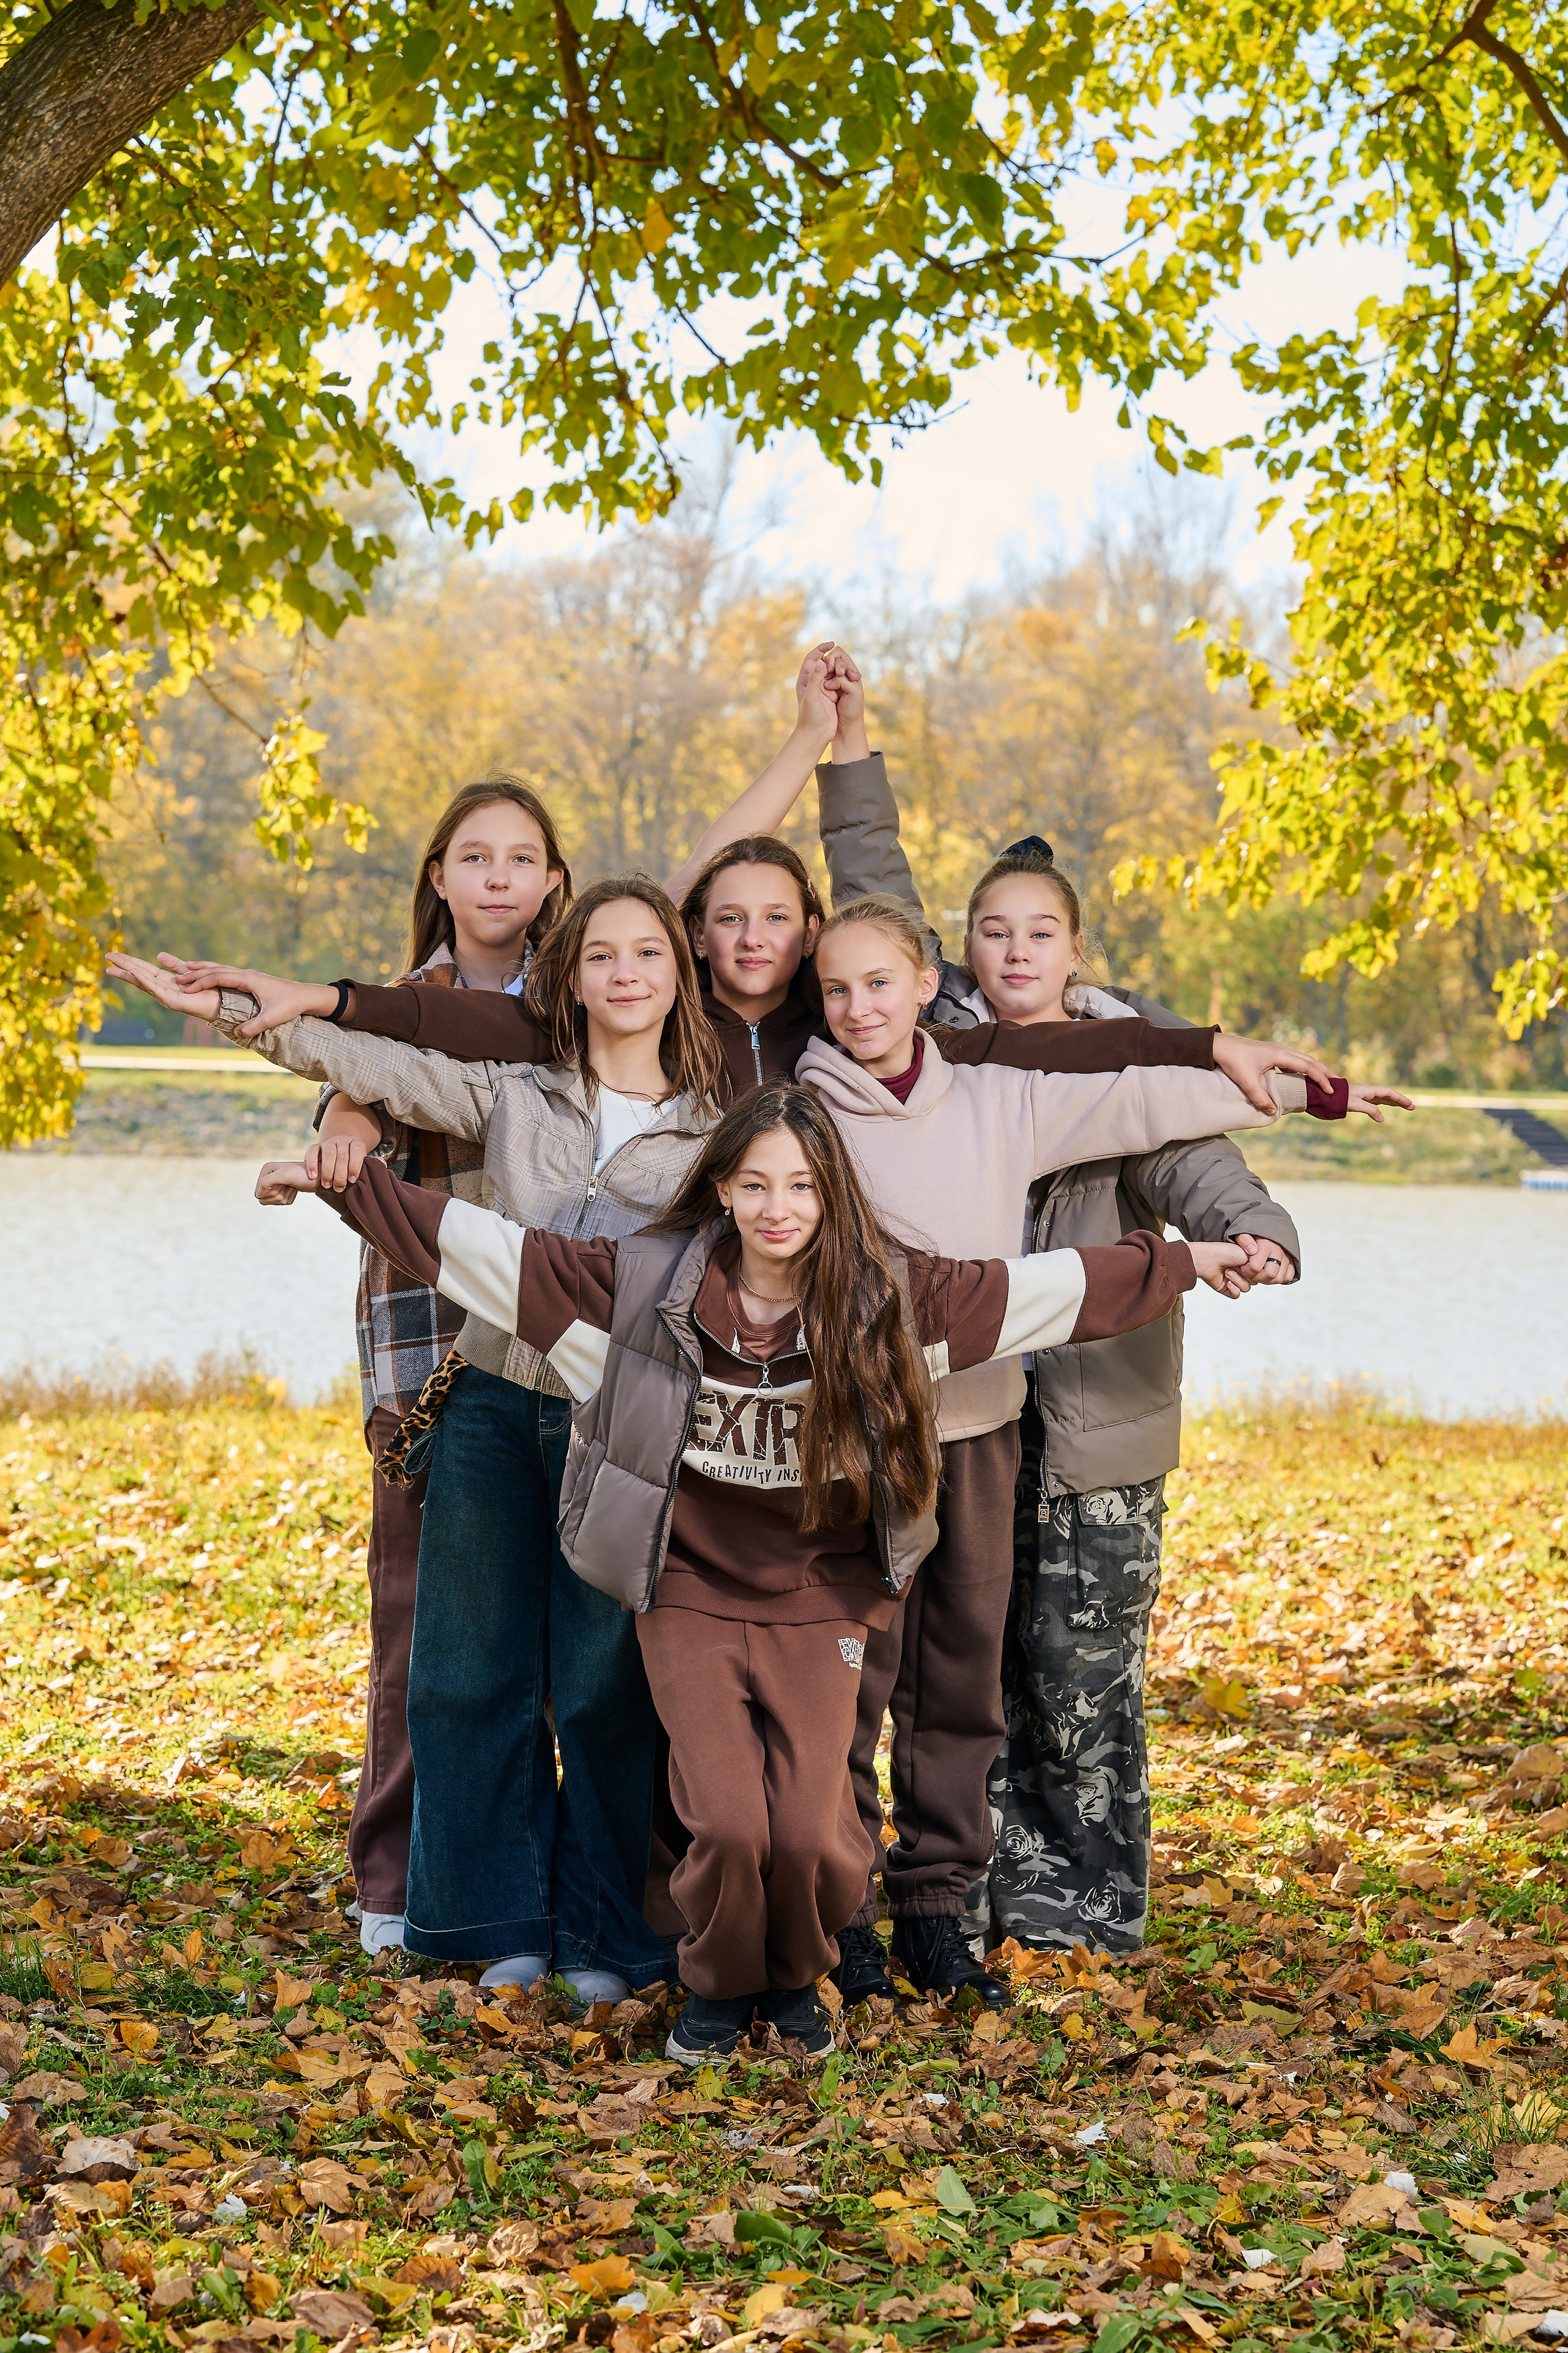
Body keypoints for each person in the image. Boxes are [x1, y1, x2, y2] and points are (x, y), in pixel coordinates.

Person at [251, 1080, 1251, 2063]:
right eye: (760, 1185)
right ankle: (724, 1988)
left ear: (834, 1197)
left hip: (826, 1599)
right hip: (689, 1591)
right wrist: (344, 1188)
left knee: (817, 1834)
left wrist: (1187, 1257)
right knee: (730, 1822)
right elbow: (484, 1250)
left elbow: (1055, 1290)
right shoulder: (637, 1289)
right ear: (722, 1187)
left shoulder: (893, 1302)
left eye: (806, 1188)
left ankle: (790, 1973)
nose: (782, 1210)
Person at [114, 878, 725, 2002]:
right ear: (573, 978)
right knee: (464, 1670)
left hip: (622, 1419)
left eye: (648, 953)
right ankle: (488, 1921)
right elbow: (366, 1063)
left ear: (678, 975)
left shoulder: (715, 1127)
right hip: (493, 1398)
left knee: (601, 1685)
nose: (625, 973)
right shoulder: (516, 1094)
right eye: (602, 956)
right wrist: (224, 1009)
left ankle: (604, 1936)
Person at [794, 892, 1409, 2003]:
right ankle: (852, 1916)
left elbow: (1153, 1106)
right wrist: (838, 749)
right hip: (877, 1431)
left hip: (1017, 1425)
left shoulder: (1010, 1092)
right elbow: (867, 908)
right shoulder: (829, 1099)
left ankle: (980, 1911)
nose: (857, 1005)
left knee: (993, 1678)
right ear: (961, 953)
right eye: (836, 989)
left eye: (878, 984)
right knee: (861, 1676)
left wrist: (1307, 1097)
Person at [318, 774, 570, 1957]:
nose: (499, 878)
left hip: (562, 1357)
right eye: (476, 857)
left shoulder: (582, 1005)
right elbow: (353, 1096)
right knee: (424, 1628)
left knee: (548, 1635)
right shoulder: (395, 1008)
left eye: (522, 859)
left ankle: (526, 1875)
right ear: (439, 876)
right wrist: (348, 1126)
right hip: (431, 1357)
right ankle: (392, 1873)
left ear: (553, 882)